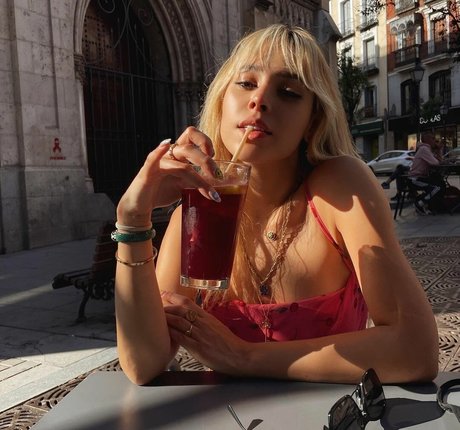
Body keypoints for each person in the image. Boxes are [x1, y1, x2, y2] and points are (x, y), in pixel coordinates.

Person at [114, 25, 438, 386]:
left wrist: (243, 356)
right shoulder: (197, 213)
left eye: (288, 92)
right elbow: (143, 363)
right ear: (221, 101)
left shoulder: (340, 187)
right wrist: (133, 220)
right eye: (246, 83)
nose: (260, 100)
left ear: (313, 121)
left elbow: (416, 351)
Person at [408, 132, 444, 215]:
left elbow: (439, 161)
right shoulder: (424, 149)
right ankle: (419, 204)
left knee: (440, 184)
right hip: (415, 179)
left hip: (420, 178)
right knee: (437, 188)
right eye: (433, 138)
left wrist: (438, 150)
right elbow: (435, 163)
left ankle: (430, 205)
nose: (435, 140)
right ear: (427, 140)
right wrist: (437, 152)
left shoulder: (426, 149)